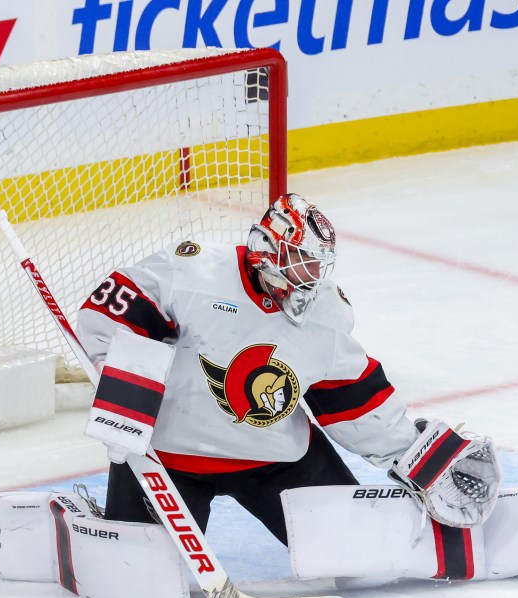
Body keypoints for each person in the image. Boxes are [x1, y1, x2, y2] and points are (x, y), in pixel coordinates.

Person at [76, 193, 488, 545]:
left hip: (276, 461)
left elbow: (354, 398)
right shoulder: (192, 272)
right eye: (300, 260)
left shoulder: (324, 312)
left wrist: (412, 455)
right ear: (266, 248)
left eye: (317, 265)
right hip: (168, 458)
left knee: (356, 550)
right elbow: (107, 318)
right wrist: (121, 396)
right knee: (137, 569)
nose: (310, 276)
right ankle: (83, 516)